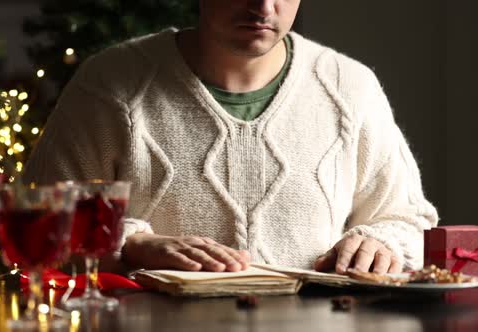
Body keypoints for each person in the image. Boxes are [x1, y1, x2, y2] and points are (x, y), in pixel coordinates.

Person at [22, 0, 438, 275]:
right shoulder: (109, 84)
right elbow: (37, 224)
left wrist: (378, 243)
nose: (262, 5)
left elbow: (407, 221)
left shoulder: (350, 87)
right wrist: (131, 245)